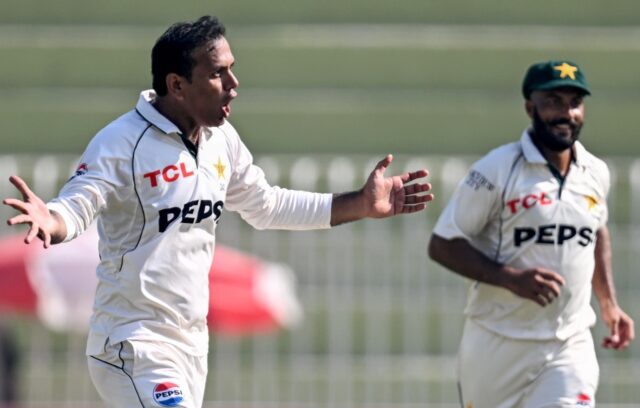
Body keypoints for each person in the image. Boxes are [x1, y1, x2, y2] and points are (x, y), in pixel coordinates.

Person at [3, 16, 433, 408]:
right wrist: (52, 221)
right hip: (133, 343)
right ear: (176, 85)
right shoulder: (121, 144)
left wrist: (358, 203)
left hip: (191, 344)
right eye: (217, 73)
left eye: (231, 68)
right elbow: (79, 203)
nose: (234, 82)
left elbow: (266, 204)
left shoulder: (220, 139)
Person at [428, 60, 634, 408]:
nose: (565, 112)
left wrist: (609, 303)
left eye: (574, 102)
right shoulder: (497, 169)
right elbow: (443, 244)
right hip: (496, 343)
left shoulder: (596, 172)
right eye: (553, 101)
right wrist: (511, 279)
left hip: (569, 344)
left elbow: (596, 233)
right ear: (530, 107)